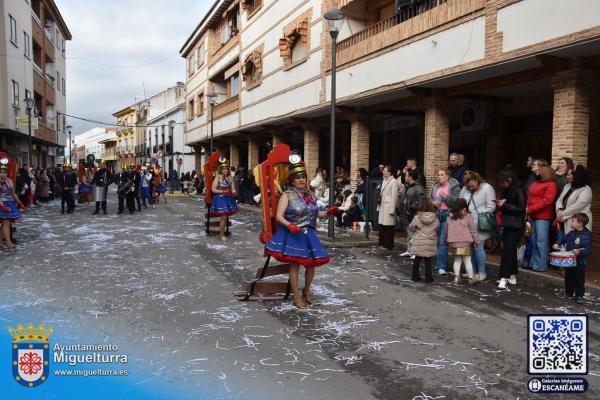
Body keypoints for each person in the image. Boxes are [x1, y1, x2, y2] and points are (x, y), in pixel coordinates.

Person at [265, 157, 338, 309]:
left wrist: (327, 213)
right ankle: (296, 295)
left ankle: (306, 290)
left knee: (311, 266)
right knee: (295, 265)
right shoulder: (287, 195)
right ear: (292, 180)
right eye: (298, 177)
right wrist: (289, 225)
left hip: (308, 234)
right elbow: (278, 215)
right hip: (293, 234)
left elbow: (314, 213)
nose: (301, 180)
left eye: (303, 177)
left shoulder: (310, 194)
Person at [460, 171, 496, 282]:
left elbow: (491, 206)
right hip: (467, 222)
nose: (470, 188)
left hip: (480, 223)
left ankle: (481, 272)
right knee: (470, 248)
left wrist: (479, 213)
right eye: (468, 186)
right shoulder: (465, 189)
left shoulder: (487, 188)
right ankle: (472, 271)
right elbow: (460, 201)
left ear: (476, 180)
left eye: (472, 185)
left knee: (478, 247)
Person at [553, 213, 593, 305]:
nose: (570, 222)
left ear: (580, 223)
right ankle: (568, 293)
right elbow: (563, 238)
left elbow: (588, 249)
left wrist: (579, 252)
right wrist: (557, 243)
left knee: (579, 278)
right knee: (569, 277)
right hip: (570, 260)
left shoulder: (586, 235)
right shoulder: (572, 232)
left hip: (580, 262)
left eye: (573, 221)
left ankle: (579, 295)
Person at [525, 160, 557, 272]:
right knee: (533, 241)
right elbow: (529, 197)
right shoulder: (536, 182)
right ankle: (533, 263)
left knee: (541, 241)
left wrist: (530, 209)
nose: (534, 168)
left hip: (543, 216)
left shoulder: (551, 184)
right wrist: (528, 211)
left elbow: (547, 201)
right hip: (532, 215)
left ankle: (540, 265)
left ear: (542, 168)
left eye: (536, 165)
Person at [496, 169, 525, 290]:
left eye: (504, 183)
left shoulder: (519, 190)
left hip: (516, 225)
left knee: (507, 251)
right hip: (509, 223)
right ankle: (512, 276)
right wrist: (503, 204)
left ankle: (503, 277)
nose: (502, 185)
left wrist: (505, 205)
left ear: (509, 180)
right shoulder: (509, 190)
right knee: (510, 250)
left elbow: (520, 209)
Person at [431, 169, 461, 274]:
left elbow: (458, 202)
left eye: (442, 175)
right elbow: (432, 199)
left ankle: (441, 267)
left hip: (448, 215)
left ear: (447, 176)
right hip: (438, 214)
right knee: (439, 240)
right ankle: (442, 264)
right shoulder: (435, 186)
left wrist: (446, 197)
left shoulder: (454, 187)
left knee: (443, 241)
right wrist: (433, 204)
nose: (439, 176)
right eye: (438, 174)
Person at [444, 198, 480, 285]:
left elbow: (446, 230)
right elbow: (473, 230)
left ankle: (456, 278)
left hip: (454, 243)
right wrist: (477, 241)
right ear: (464, 206)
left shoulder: (449, 217)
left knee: (457, 260)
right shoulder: (468, 216)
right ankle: (471, 279)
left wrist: (445, 240)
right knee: (467, 261)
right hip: (466, 242)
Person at [556, 165, 592, 235]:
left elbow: (577, 206)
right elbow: (559, 200)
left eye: (572, 174)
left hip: (579, 224)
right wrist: (559, 209)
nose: (568, 176)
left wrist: (561, 215)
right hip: (564, 221)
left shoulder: (586, 189)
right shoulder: (567, 186)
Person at [408, 200, 439, 283]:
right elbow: (437, 226)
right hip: (430, 241)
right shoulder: (435, 218)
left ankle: (415, 276)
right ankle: (428, 278)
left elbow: (411, 226)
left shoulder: (417, 217)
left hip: (419, 240)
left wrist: (416, 230)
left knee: (417, 259)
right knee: (428, 260)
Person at [210, 157, 239, 241]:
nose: (225, 171)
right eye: (223, 169)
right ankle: (221, 235)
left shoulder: (230, 178)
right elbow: (213, 189)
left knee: (225, 216)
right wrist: (222, 192)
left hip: (228, 198)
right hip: (219, 198)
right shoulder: (217, 177)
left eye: (226, 169)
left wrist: (235, 193)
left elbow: (233, 189)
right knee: (223, 216)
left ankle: (222, 233)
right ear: (220, 170)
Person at [0, 159, 25, 252]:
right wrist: (2, 206)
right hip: (1, 204)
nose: (2, 174)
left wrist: (19, 202)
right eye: (1, 172)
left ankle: (0, 243)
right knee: (6, 223)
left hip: (10, 203)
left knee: (5, 224)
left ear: (7, 173)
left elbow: (13, 194)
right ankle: (9, 242)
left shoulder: (10, 181)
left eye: (4, 172)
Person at [401, 169, 425, 258]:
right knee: (409, 232)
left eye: (406, 175)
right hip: (406, 213)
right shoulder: (407, 186)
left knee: (414, 233)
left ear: (410, 177)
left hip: (413, 213)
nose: (405, 177)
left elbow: (420, 201)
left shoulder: (418, 187)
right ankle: (409, 250)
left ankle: (415, 252)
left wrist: (411, 207)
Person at [377, 165, 399, 250]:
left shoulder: (393, 181)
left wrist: (392, 209)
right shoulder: (384, 180)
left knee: (388, 227)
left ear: (389, 172)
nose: (383, 172)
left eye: (385, 171)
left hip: (389, 206)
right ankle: (382, 243)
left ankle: (388, 245)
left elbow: (394, 196)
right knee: (382, 225)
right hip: (383, 205)